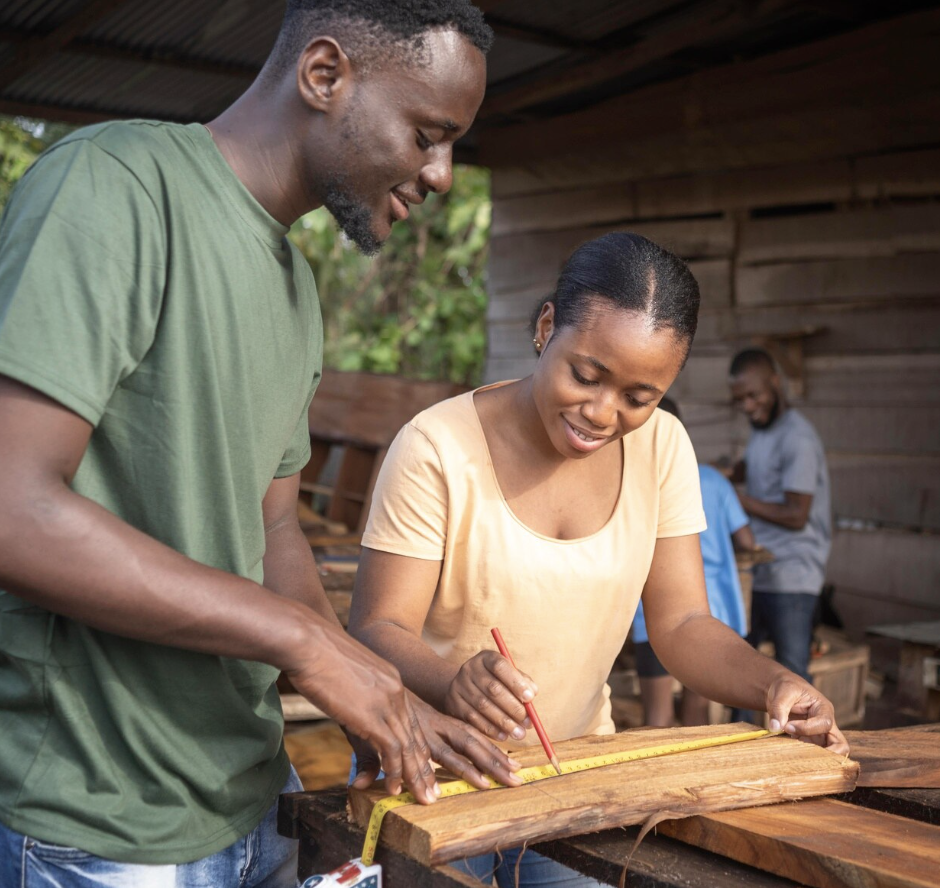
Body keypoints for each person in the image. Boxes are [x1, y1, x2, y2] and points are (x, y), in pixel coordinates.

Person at [0, 0, 519, 887]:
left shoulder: (295, 290)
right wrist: (300, 644)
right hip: (86, 818)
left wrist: (371, 691)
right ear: (325, 73)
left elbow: (272, 526)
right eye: (428, 134)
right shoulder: (117, 187)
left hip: (243, 797)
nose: (442, 175)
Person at [349, 232, 848, 888]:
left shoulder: (664, 448)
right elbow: (374, 629)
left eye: (639, 397)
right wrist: (450, 682)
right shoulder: (436, 447)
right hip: (436, 784)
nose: (601, 413)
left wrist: (773, 684)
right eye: (585, 374)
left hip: (577, 776)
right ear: (547, 326)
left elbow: (682, 626)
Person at [631, 397, 756, 727]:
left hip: (656, 611)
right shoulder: (714, 481)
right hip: (715, 609)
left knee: (657, 718)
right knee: (697, 715)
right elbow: (747, 542)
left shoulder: (634, 480)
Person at [727, 349, 831, 682]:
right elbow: (758, 469)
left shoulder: (797, 438)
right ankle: (740, 734)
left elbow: (797, 514)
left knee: (792, 672)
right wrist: (726, 474)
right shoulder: (762, 429)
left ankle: (801, 736)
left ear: (775, 383)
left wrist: (735, 499)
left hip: (792, 575)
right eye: (740, 399)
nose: (747, 406)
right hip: (760, 569)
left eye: (753, 395)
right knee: (742, 670)